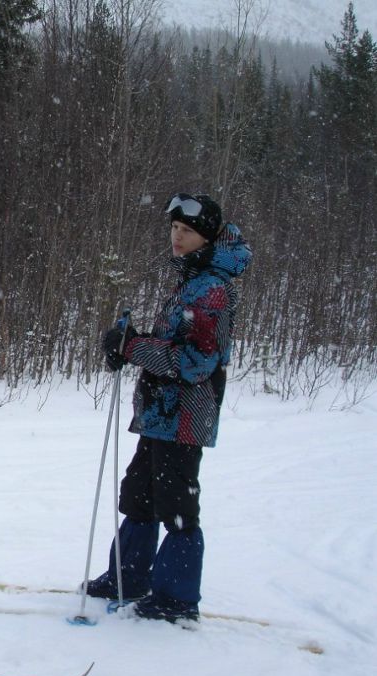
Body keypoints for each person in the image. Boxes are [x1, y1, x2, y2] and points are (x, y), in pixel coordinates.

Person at [87, 192, 252, 623]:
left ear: (207, 237)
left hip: (185, 417)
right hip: (162, 413)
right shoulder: (194, 279)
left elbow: (196, 362)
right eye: (174, 229)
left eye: (187, 231)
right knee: (139, 494)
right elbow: (173, 345)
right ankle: (128, 578)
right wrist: (130, 345)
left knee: (175, 503)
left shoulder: (212, 289)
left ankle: (175, 598)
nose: (177, 238)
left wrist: (135, 347)